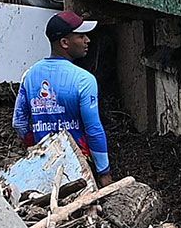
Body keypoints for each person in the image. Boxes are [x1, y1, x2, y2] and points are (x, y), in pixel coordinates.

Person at [13, 10, 110, 182]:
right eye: (81, 36)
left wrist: (35, 148)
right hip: (79, 168)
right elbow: (93, 129)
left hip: (43, 165)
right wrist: (104, 172)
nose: (87, 40)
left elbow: (19, 123)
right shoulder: (84, 79)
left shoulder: (29, 75)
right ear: (65, 42)